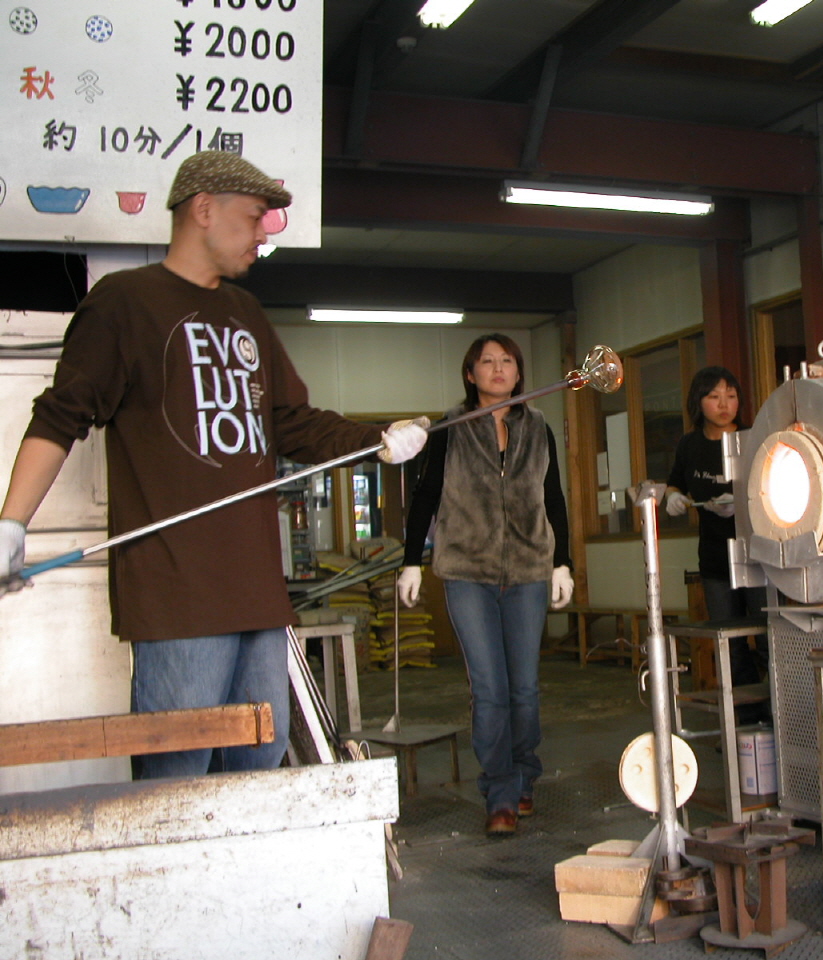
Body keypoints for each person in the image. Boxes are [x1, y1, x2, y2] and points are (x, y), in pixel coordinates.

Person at [0, 150, 428, 778]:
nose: (262, 235)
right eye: (254, 217)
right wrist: (12, 524)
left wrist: (377, 440)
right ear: (203, 209)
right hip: (178, 595)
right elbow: (62, 415)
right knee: (176, 777)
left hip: (256, 590)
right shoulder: (124, 303)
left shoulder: (245, 314)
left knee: (256, 764)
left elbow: (291, 422)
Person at [397, 334, 573, 838]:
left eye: (507, 361)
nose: (498, 369)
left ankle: (524, 779)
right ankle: (499, 791)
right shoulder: (452, 428)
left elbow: (553, 495)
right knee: (490, 689)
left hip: (528, 570)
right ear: (470, 374)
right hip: (467, 571)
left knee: (524, 687)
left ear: (519, 372)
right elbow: (426, 494)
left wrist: (561, 563)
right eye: (487, 362)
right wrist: (413, 560)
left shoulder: (538, 428)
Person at [665, 366, 767, 692]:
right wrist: (676, 498)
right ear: (698, 402)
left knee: (768, 638)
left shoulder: (755, 439)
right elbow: (673, 484)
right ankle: (743, 722)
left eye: (731, 396)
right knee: (730, 643)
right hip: (715, 558)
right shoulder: (689, 445)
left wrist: (745, 500)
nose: (724, 404)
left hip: (759, 556)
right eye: (714, 396)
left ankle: (777, 719)